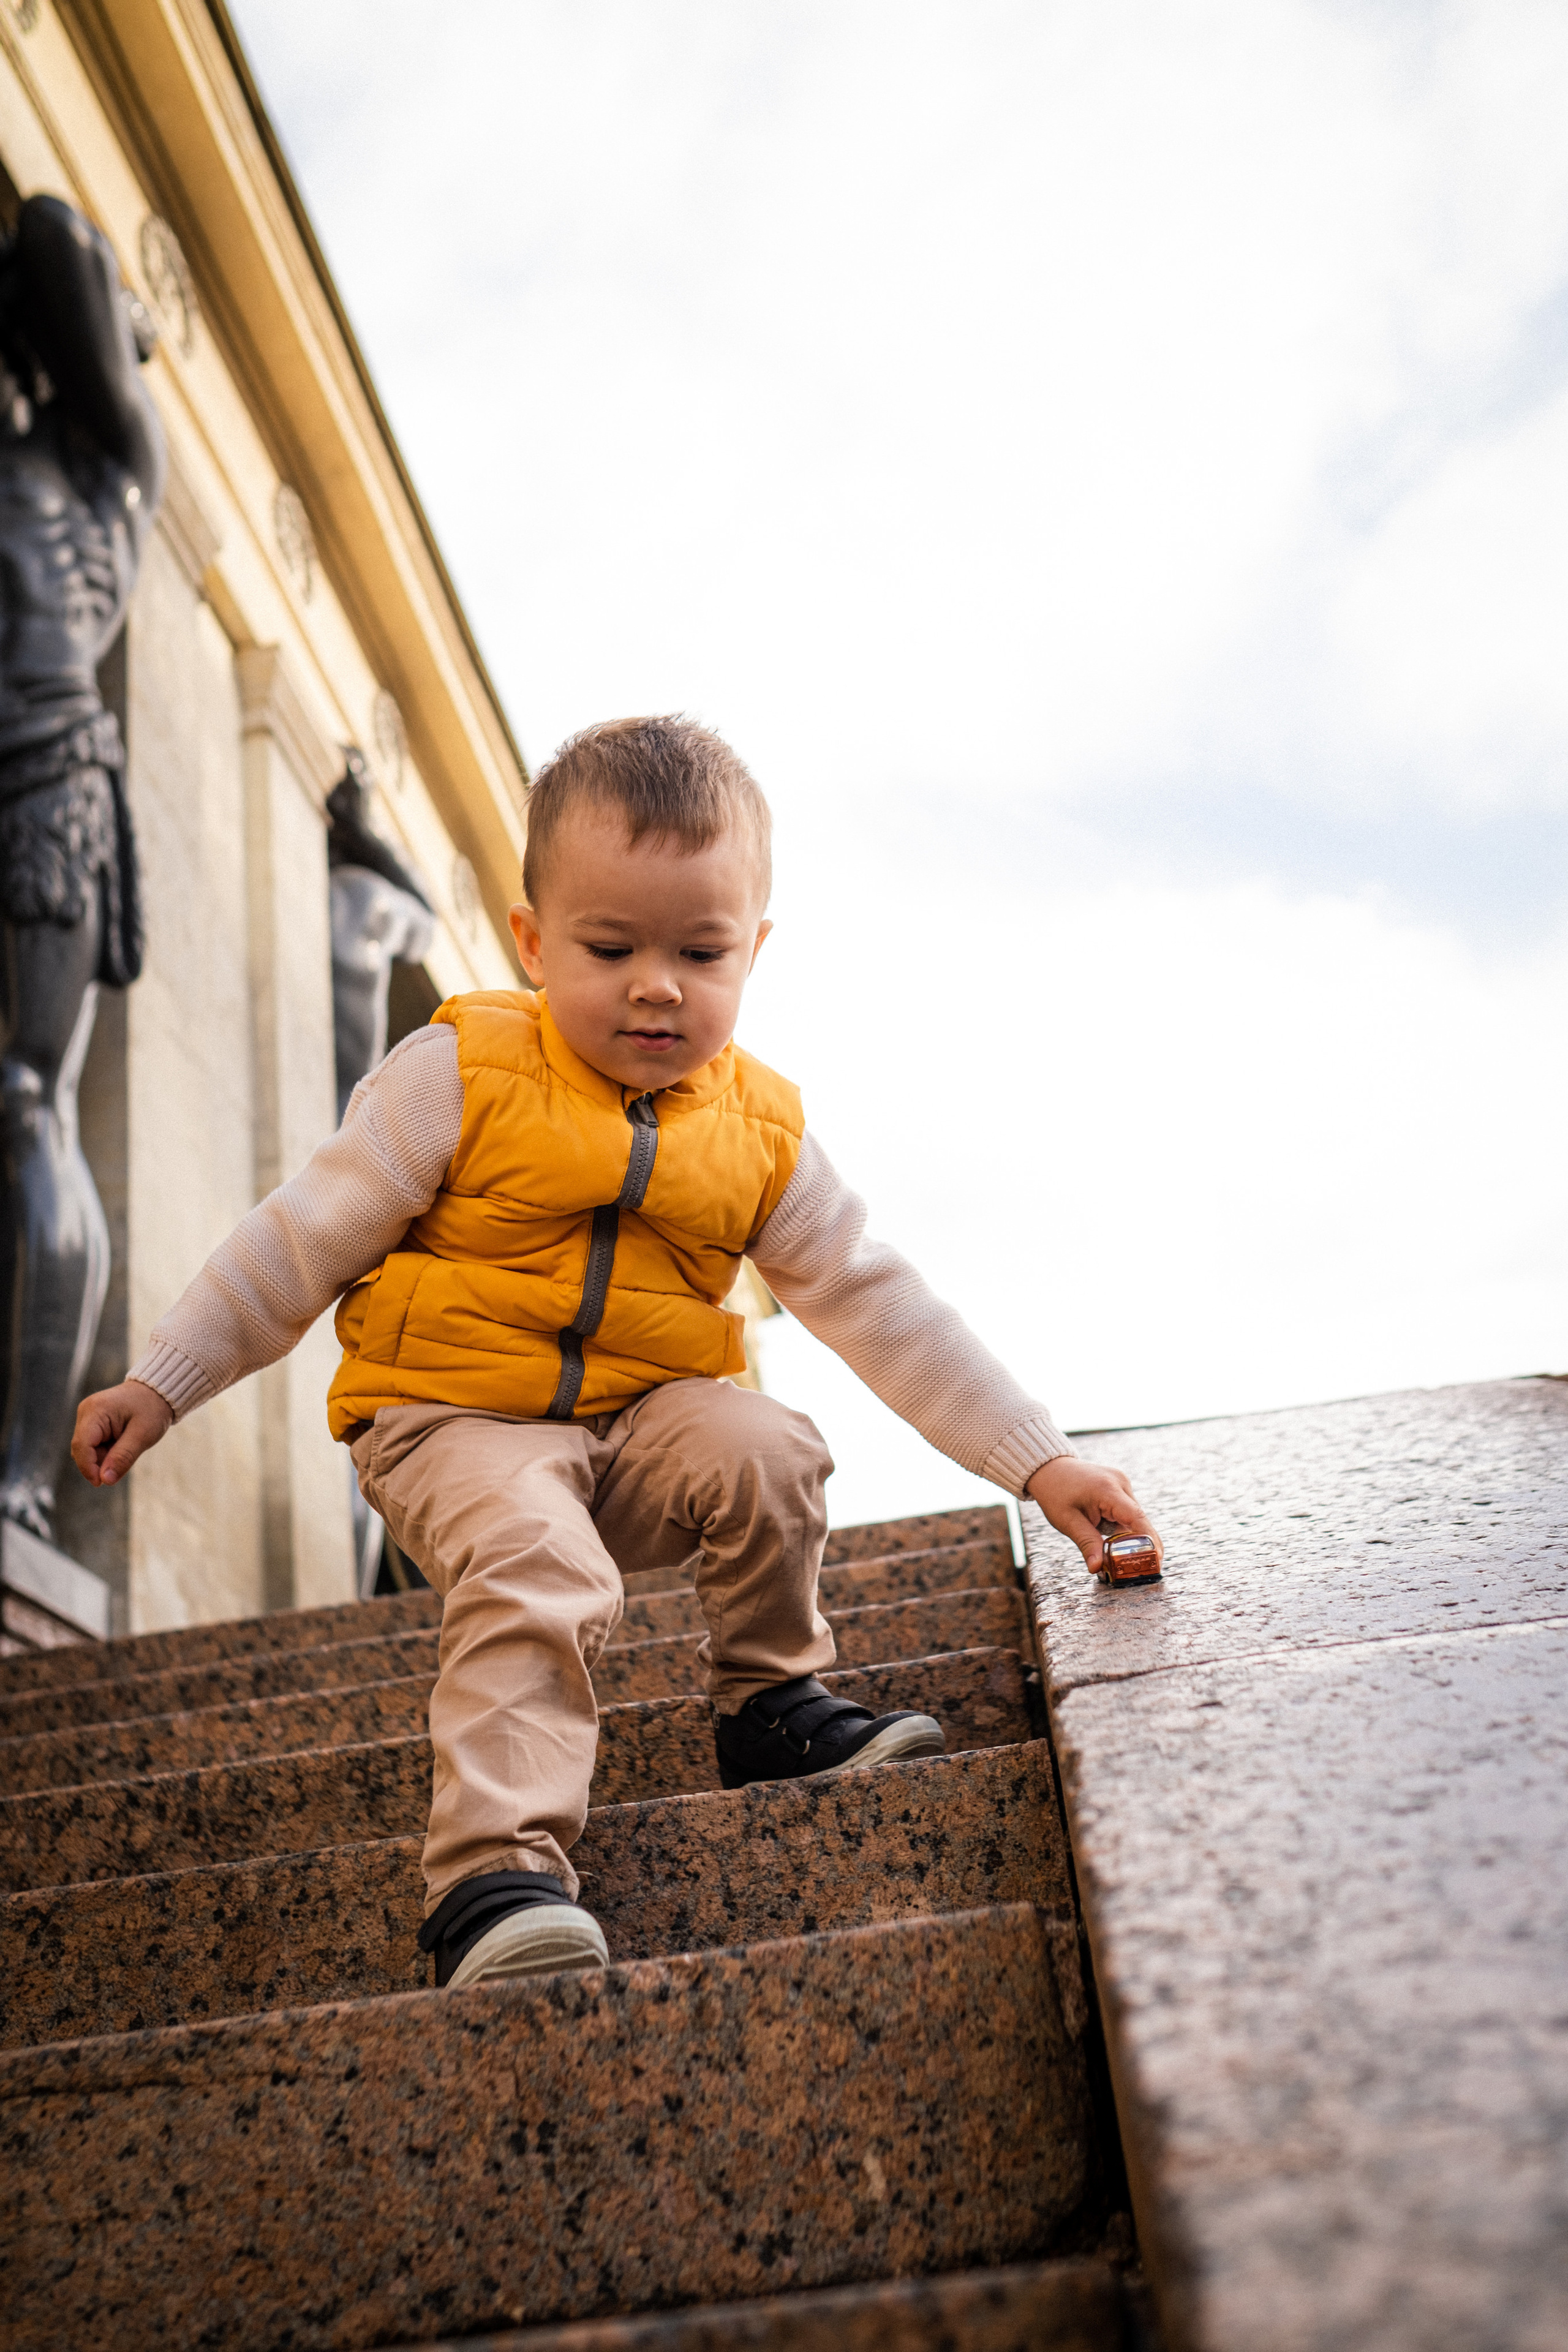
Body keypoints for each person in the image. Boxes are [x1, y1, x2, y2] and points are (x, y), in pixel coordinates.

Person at [71, 717, 1161, 1991]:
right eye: (610, 949)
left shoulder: (758, 1132)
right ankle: (489, 1878)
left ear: (752, 951)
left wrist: (1037, 1462)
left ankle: (770, 1706)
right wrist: (166, 1379)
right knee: (537, 1556)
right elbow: (296, 1242)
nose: (657, 986)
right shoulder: (459, 1074)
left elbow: (880, 1304)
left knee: (768, 1445)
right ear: (534, 944)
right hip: (450, 1423)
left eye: (699, 953)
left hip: (637, 1428)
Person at [0, 194, 165, 1542]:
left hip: (54, 781)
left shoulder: (113, 464)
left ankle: (24, 1476)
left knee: (29, 1100)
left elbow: (54, 227)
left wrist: (99, 293)